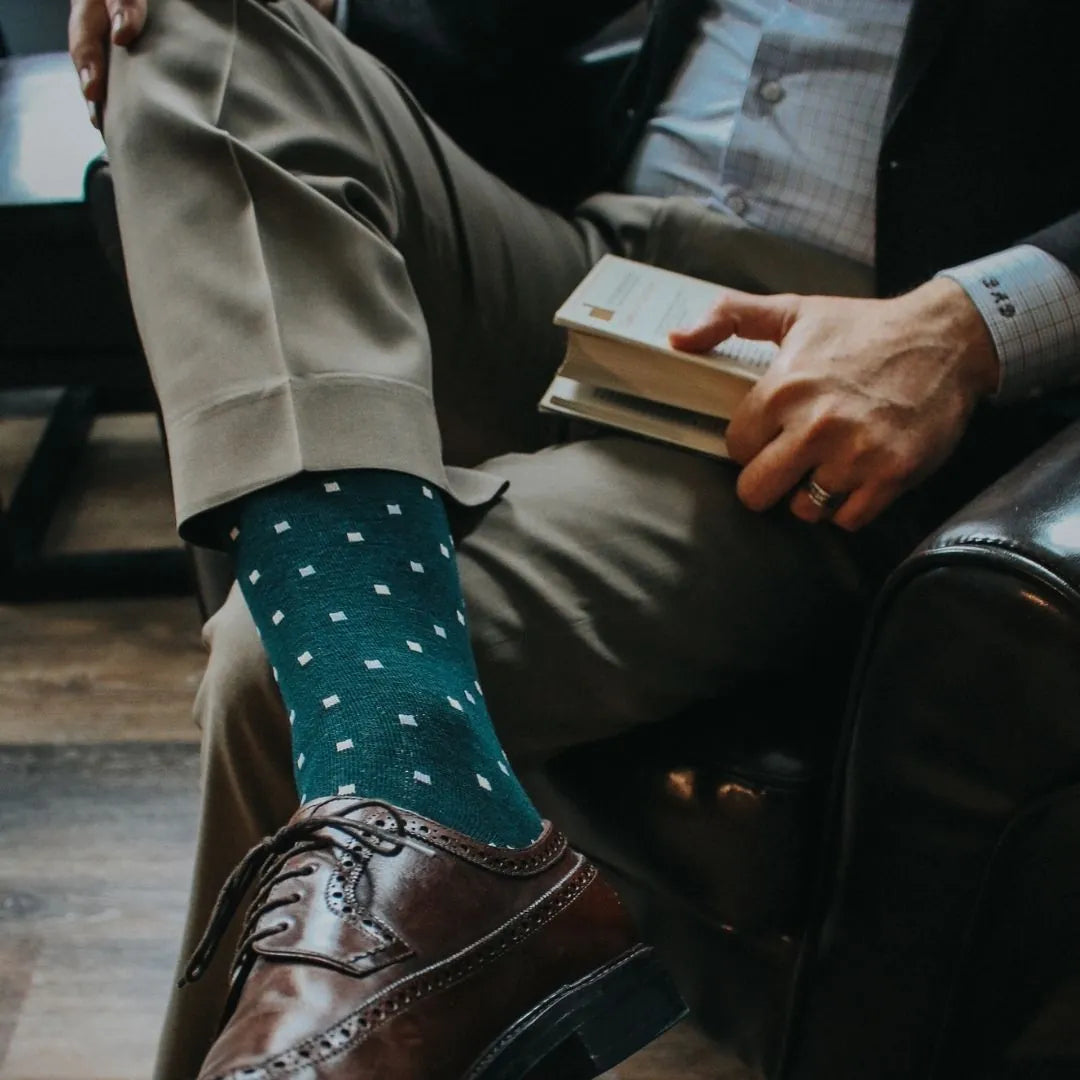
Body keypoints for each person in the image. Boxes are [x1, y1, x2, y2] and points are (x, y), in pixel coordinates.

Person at [68, 0, 1080, 1077]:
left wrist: (973, 326)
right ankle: (443, 835)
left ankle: (421, 839)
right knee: (184, 20)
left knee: (275, 662)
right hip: (596, 262)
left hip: (852, 350)